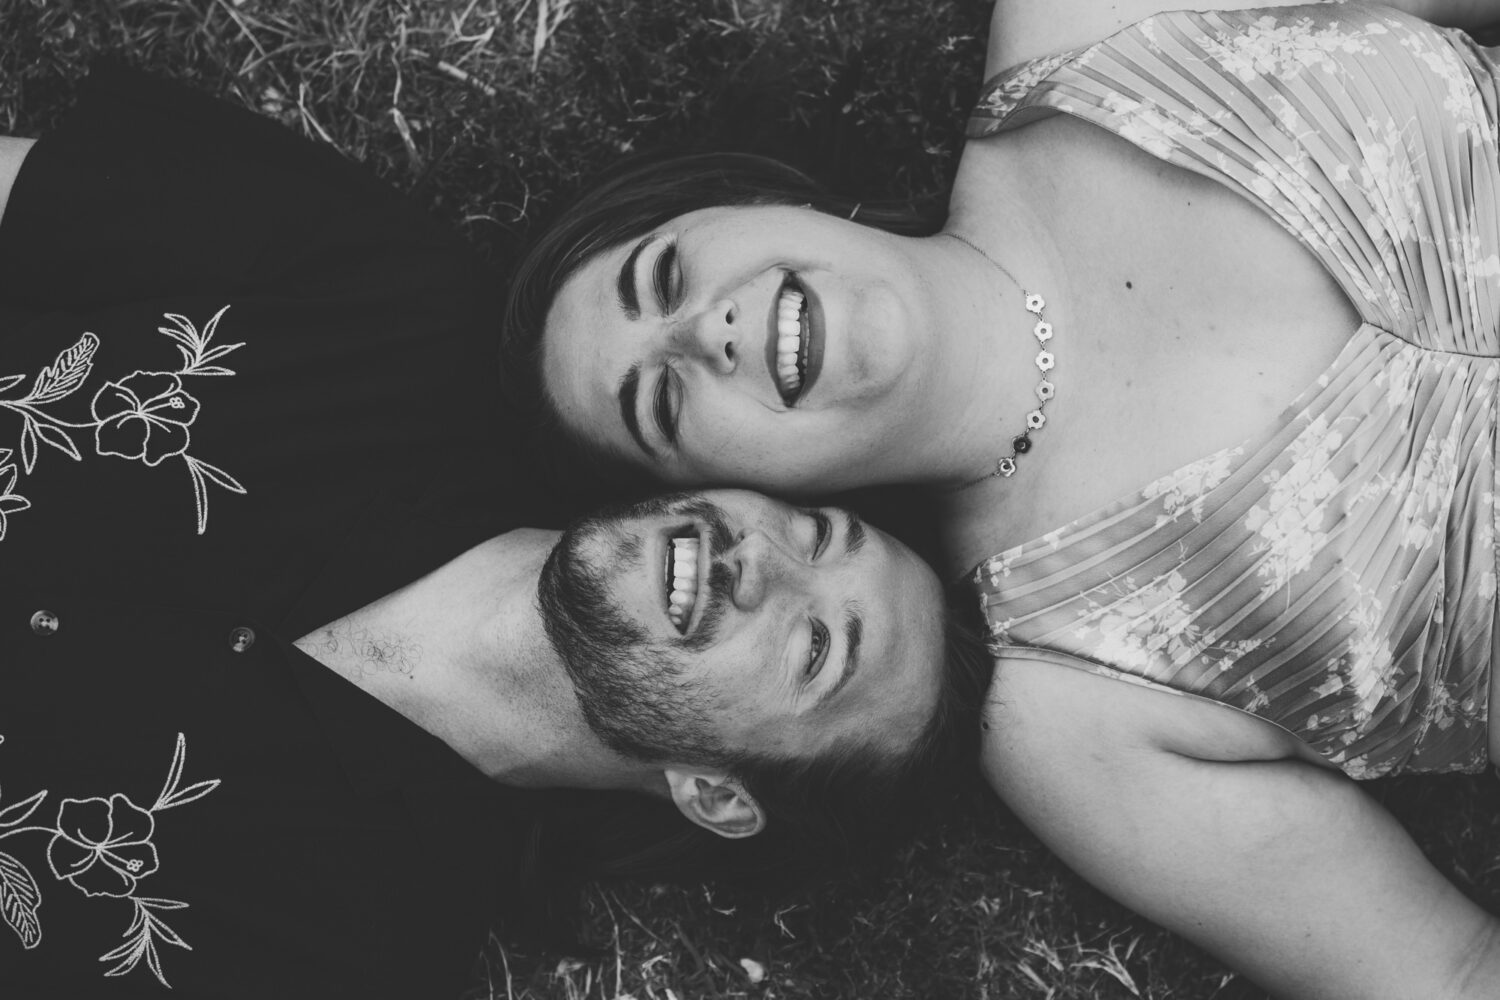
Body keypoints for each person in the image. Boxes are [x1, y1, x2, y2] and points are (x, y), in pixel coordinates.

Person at [504, 1, 1500, 996]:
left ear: (751, 202)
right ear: (732, 489)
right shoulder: (1066, 709)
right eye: (663, 402)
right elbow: (1450, 974)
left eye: (669, 273)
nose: (702, 334)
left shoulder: (1077, 18)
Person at [0, 66, 987, 997]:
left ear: (717, 796)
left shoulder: (346, 962)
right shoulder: (395, 305)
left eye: (817, 646)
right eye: (817, 533)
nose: (757, 556)